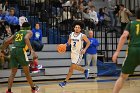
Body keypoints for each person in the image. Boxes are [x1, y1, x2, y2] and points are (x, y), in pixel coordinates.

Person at [0, 22, 39, 93]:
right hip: (21, 51)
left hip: (13, 50)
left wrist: (1, 50)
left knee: (13, 73)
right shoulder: (29, 32)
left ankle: (9, 90)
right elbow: (26, 38)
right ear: (29, 27)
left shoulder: (17, 33)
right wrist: (32, 50)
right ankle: (33, 88)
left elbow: (6, 41)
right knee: (27, 72)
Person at [112, 8, 140, 93]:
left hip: (133, 51)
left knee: (123, 77)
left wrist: (117, 52)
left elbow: (124, 36)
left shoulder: (131, 23)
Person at [59, 21, 90, 87]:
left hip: (79, 54)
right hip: (72, 53)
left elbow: (88, 42)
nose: (77, 28)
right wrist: (64, 45)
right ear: (74, 28)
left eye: (78, 27)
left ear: (80, 29)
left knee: (73, 66)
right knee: (71, 69)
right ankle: (64, 83)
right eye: (76, 27)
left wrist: (84, 49)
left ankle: (85, 71)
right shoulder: (71, 34)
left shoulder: (82, 36)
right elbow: (68, 43)